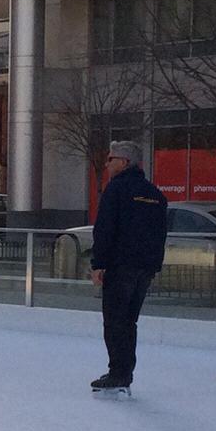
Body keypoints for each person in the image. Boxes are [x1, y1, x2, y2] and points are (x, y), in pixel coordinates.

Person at [88, 139, 168, 395]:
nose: (107, 163)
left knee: (114, 320)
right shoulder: (155, 194)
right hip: (144, 267)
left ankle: (118, 372)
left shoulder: (116, 190)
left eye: (111, 159)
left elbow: (105, 229)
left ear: (123, 162)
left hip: (121, 265)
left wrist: (98, 263)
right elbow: (160, 233)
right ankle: (124, 371)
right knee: (129, 321)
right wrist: (154, 263)